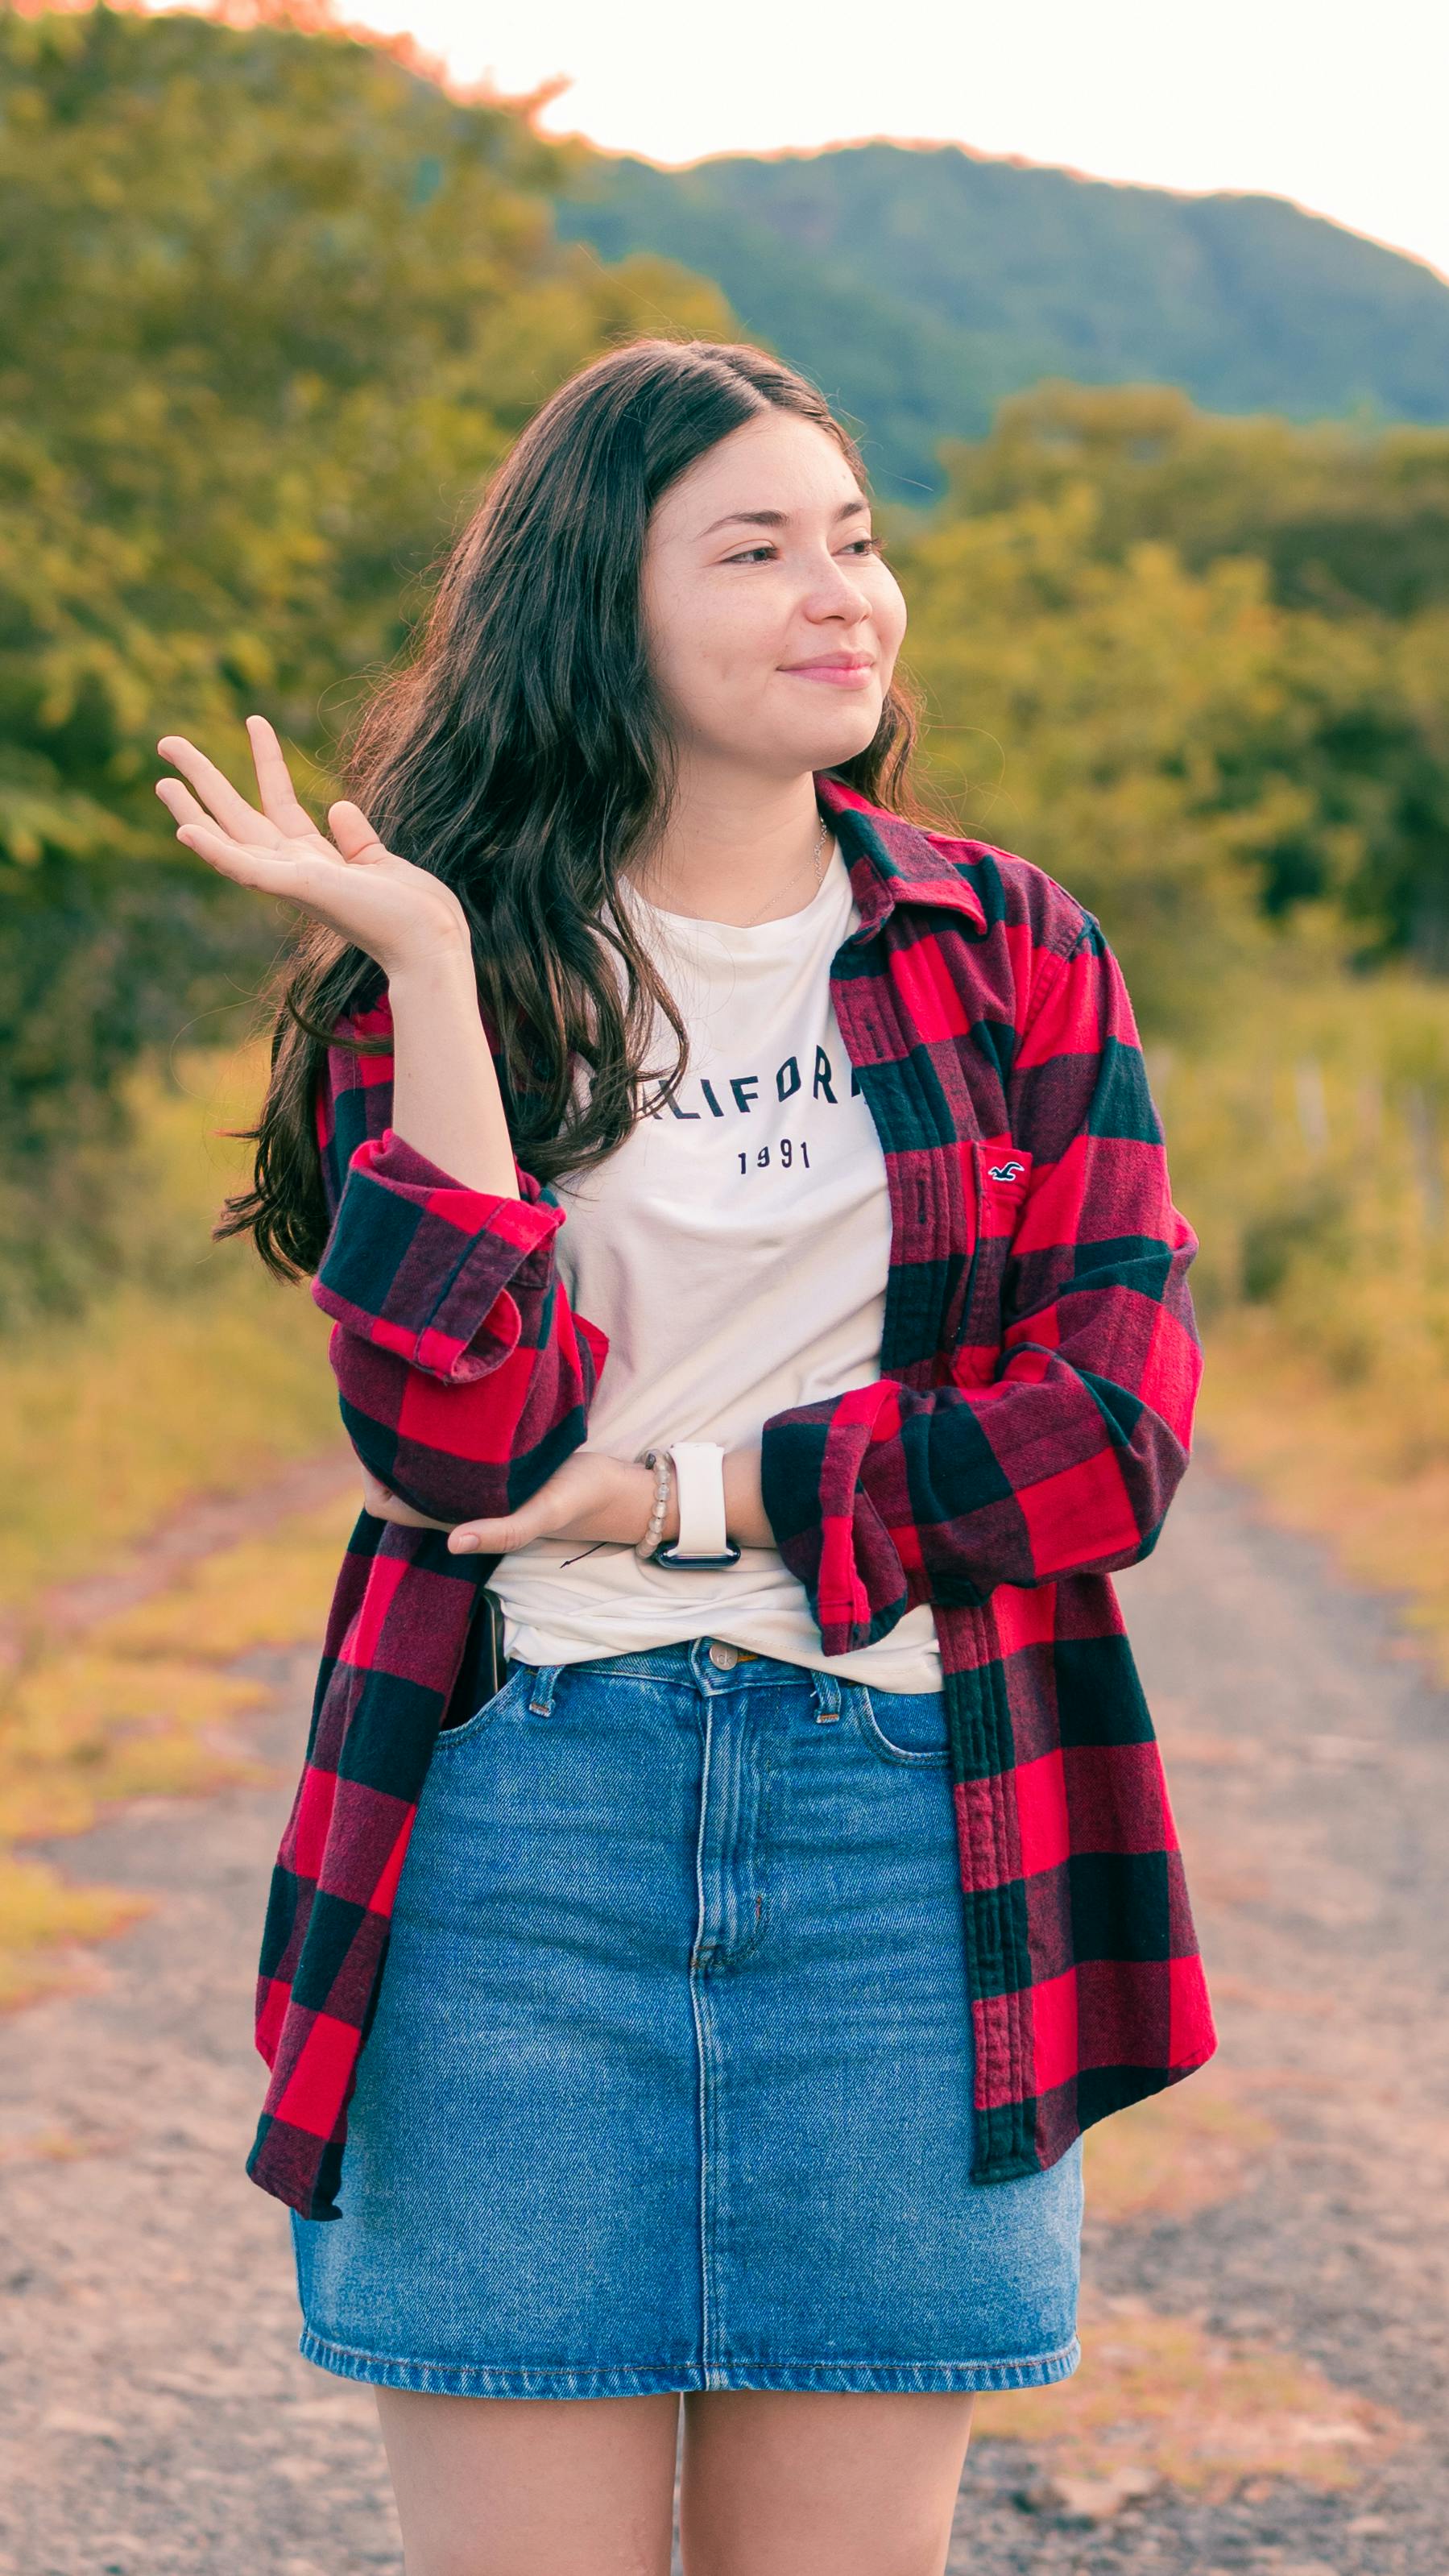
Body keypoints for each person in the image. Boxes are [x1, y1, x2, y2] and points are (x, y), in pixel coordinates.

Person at [155, 337, 1215, 2576]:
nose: (841, 596)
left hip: (911, 1844)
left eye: (854, 538)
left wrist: (692, 1499)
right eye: (754, 551)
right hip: (518, 1831)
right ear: (600, 604)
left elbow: (1107, 1440)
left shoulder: (1005, 950)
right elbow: (458, 1452)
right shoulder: (447, 970)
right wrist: (436, 978)